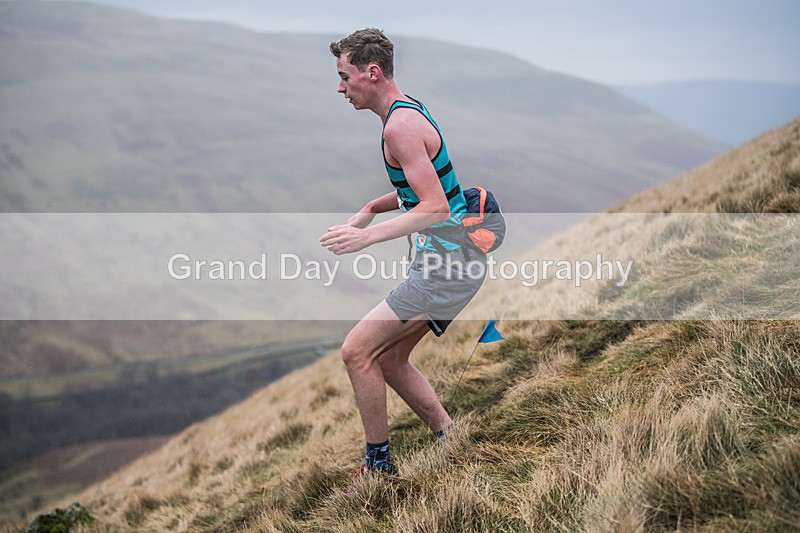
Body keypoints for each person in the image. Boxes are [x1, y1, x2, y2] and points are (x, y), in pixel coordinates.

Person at [321, 28, 487, 479]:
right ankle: (448, 437)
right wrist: (374, 208)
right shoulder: (406, 110)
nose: (340, 87)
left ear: (371, 73)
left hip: (447, 264)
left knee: (356, 352)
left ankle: (378, 469)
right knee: (388, 358)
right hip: (454, 259)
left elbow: (434, 208)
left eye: (344, 76)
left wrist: (368, 238)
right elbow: (426, 190)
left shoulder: (398, 127)